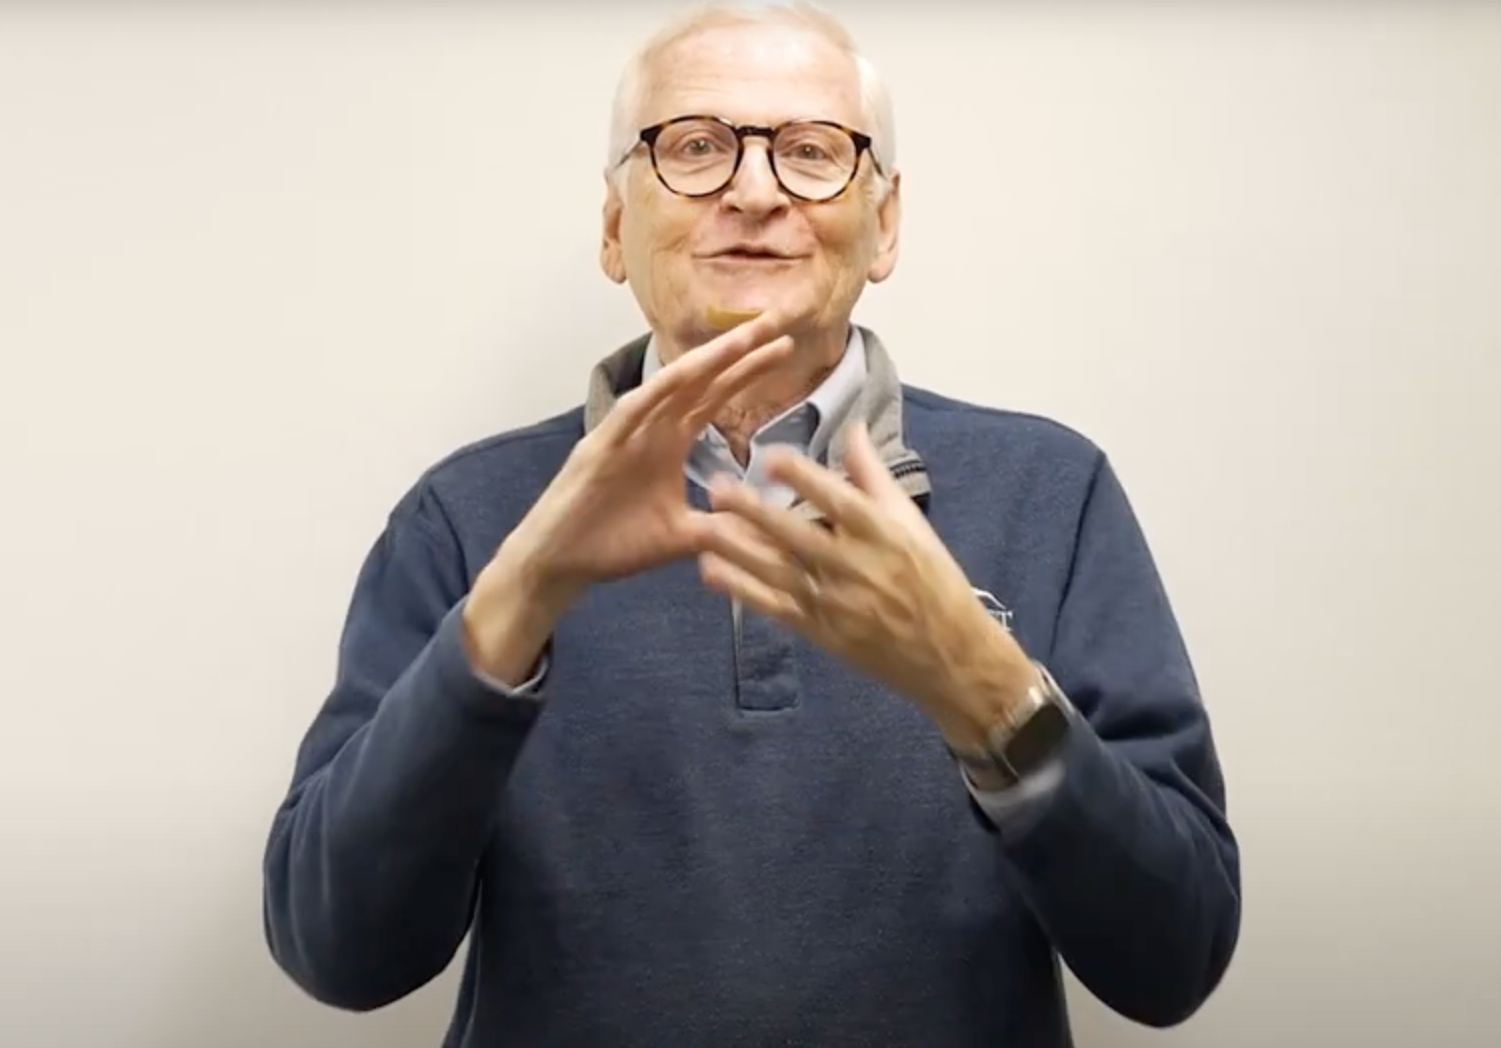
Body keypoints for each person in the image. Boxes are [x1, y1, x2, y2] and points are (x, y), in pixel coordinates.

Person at [261, 3, 1242, 1046]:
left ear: (886, 225)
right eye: (694, 147)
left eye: (813, 152)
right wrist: (517, 603)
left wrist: (983, 686)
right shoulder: (466, 518)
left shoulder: (1053, 490)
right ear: (610, 227)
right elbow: (340, 950)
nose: (755, 189)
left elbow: (1171, 956)